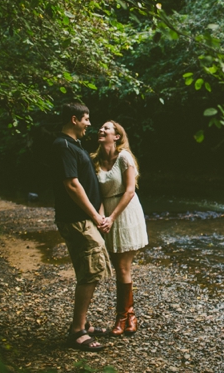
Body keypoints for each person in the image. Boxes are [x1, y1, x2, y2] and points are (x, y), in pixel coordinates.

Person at [51, 102, 111, 351]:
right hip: (76, 220)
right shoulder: (63, 145)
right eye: (86, 119)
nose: (89, 124)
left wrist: (99, 213)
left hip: (84, 219)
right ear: (74, 119)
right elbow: (73, 185)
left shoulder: (74, 145)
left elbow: (87, 183)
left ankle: (82, 323)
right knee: (91, 270)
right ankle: (77, 331)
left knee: (91, 269)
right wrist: (95, 218)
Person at [91, 120, 149, 336]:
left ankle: (123, 318)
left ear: (117, 136)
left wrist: (112, 217)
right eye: (101, 128)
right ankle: (129, 316)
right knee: (119, 267)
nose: (101, 130)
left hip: (126, 213)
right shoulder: (94, 160)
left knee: (123, 267)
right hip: (107, 214)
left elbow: (130, 191)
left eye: (107, 128)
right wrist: (100, 217)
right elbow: (97, 193)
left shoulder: (124, 157)